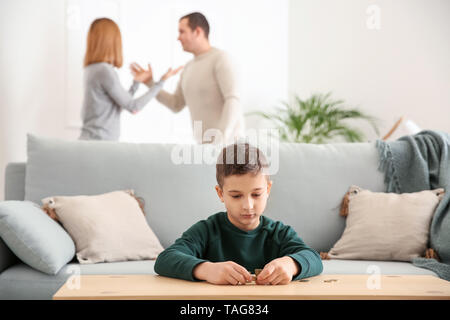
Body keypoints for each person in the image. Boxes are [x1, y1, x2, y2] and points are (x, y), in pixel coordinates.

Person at [154, 143, 323, 285]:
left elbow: (313, 259)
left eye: (256, 194)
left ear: (268, 189)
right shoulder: (207, 230)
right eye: (236, 196)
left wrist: (291, 264)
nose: (248, 205)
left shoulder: (279, 233)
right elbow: (165, 259)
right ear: (220, 194)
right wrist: (206, 270)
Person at [132, 12, 245, 145]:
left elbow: (233, 100)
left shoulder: (220, 59)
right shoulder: (188, 68)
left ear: (197, 31)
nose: (178, 38)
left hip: (230, 147)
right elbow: (175, 104)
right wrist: (151, 84)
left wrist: (219, 142)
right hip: (205, 149)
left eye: (182, 32)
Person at [79, 18, 181, 141]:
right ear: (112, 42)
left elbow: (119, 104)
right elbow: (133, 107)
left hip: (92, 141)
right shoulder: (104, 71)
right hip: (100, 144)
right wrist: (161, 82)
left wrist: (136, 83)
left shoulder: (91, 69)